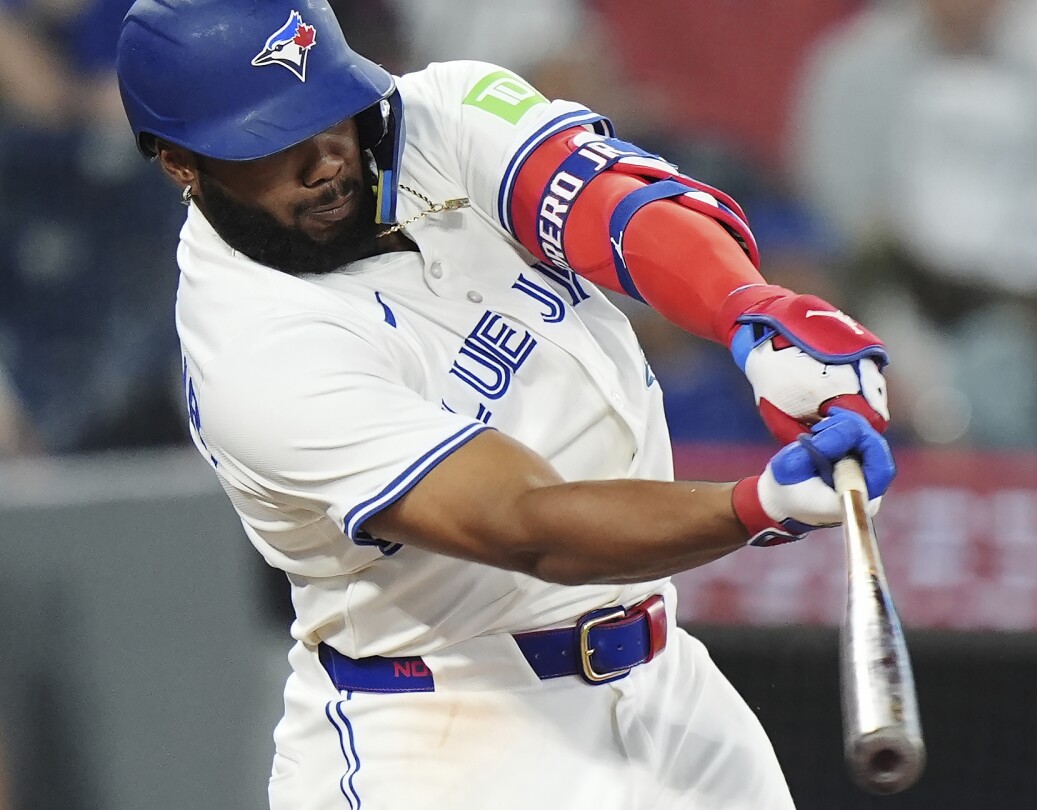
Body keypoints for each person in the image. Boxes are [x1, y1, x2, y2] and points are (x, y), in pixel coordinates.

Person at [113, 1, 895, 808]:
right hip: (449, 734)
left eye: (328, 113)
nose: (325, 160)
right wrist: (755, 505)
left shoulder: (439, 114)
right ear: (181, 162)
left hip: (670, 688)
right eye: (271, 143)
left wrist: (752, 315)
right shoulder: (253, 349)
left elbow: (616, 205)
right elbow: (530, 522)